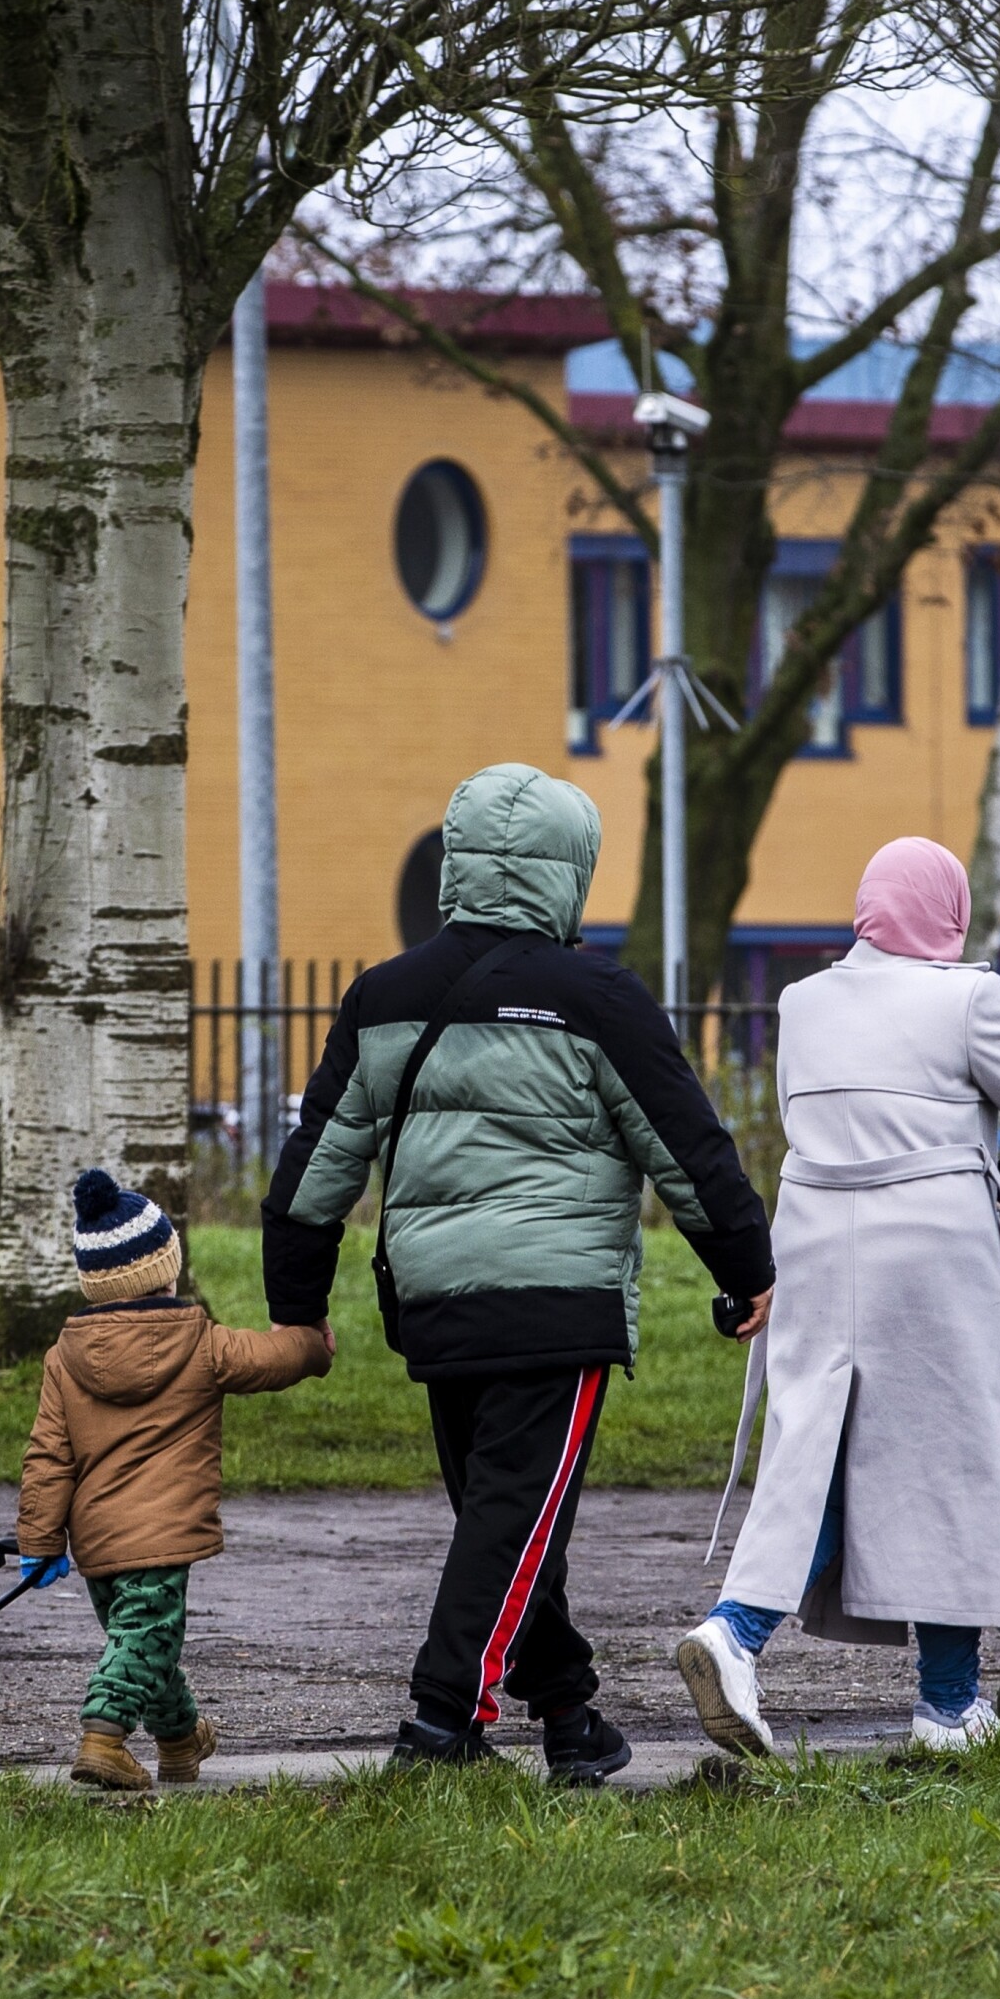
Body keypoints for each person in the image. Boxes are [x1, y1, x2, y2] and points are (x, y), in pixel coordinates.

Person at [263, 763, 775, 1784]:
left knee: (503, 1515)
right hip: (555, 1303)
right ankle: (440, 1724)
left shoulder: (382, 996)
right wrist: (746, 1269)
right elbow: (687, 1149)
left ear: (459, 862)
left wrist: (298, 1305)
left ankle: (570, 1716)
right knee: (510, 1517)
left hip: (435, 1303)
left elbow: (314, 1166)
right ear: (567, 872)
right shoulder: (596, 997)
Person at [676, 836, 1000, 1754]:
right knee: (945, 1468)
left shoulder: (802, 1001)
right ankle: (945, 1705)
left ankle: (735, 1632)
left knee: (813, 1454)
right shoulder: (967, 997)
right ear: (943, 911)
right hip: (930, 1255)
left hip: (815, 1246)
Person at [14, 1168, 333, 1791]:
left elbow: (47, 1456)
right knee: (146, 1641)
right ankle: (103, 1737)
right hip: (162, 1537)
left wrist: (40, 1540)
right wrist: (313, 1346)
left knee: (144, 1645)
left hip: (99, 1544)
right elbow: (271, 1359)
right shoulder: (200, 1342)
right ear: (166, 1268)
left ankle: (182, 1742)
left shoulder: (64, 1358)